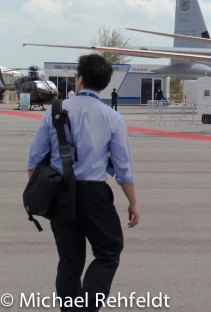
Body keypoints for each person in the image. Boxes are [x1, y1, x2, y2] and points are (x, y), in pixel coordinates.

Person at [26, 53, 139, 312]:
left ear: (79, 79)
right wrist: (133, 203)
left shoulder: (55, 111)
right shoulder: (112, 117)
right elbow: (123, 168)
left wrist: (40, 195)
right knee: (109, 252)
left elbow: (33, 161)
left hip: (59, 193)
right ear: (105, 84)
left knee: (69, 260)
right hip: (95, 194)